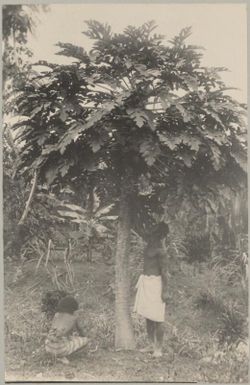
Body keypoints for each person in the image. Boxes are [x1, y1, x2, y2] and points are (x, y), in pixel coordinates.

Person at [134, 222, 169, 357]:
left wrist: (165, 291)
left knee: (158, 317)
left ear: (161, 235)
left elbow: (165, 272)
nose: (152, 233)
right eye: (153, 231)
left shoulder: (161, 251)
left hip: (156, 283)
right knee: (148, 316)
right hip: (146, 282)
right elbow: (139, 229)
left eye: (156, 232)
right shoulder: (150, 243)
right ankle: (151, 344)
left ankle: (158, 349)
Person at [45, 295, 88, 362]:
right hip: (60, 349)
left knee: (62, 338)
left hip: (48, 347)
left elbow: (54, 331)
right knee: (85, 340)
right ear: (74, 309)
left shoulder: (56, 315)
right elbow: (81, 332)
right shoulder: (73, 317)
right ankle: (61, 356)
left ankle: (55, 356)